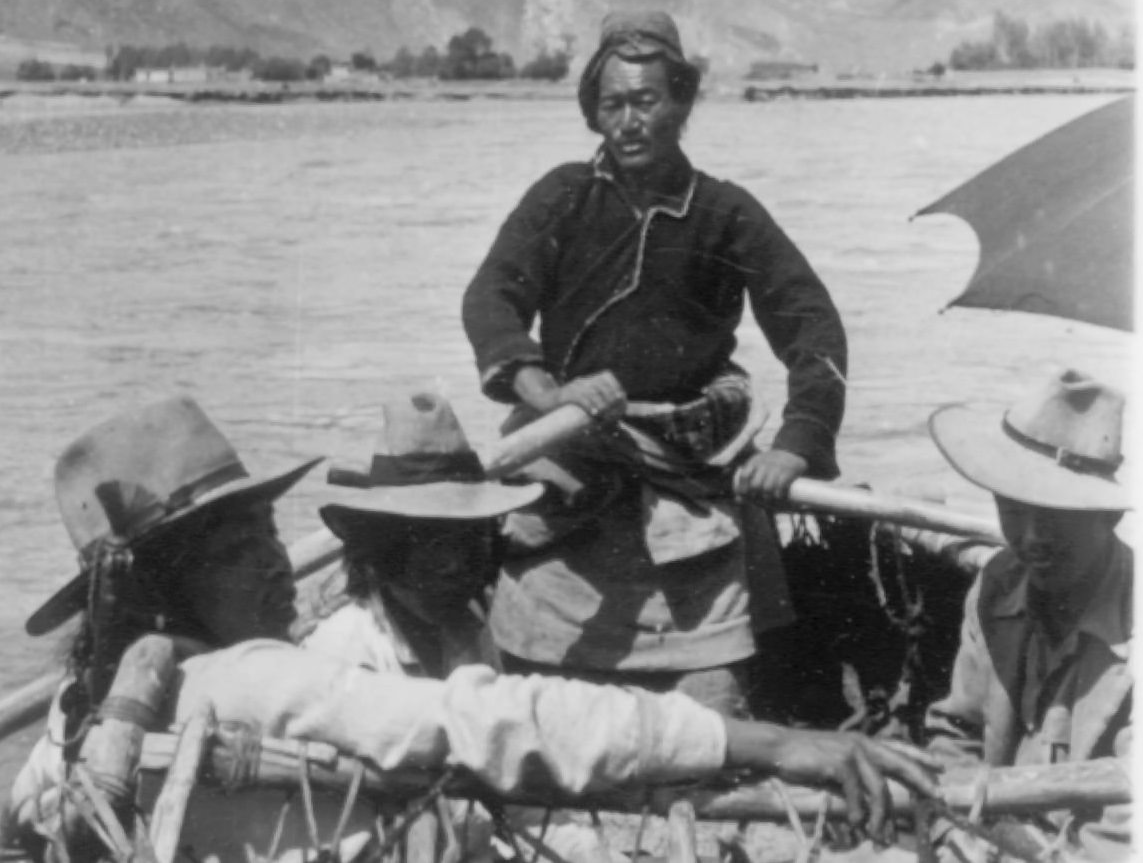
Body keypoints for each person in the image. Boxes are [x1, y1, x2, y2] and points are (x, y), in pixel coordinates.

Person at [4, 395, 938, 863]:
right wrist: (766, 739)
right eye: (239, 548)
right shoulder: (249, 678)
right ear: (165, 584)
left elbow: (30, 807)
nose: (275, 565)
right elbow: (489, 719)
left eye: (266, 538)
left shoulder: (68, 733)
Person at [462, 9, 848, 715]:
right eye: (612, 104)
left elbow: (812, 327)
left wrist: (797, 442)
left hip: (692, 481)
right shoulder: (562, 197)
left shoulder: (726, 213)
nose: (628, 121)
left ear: (681, 101)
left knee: (712, 713)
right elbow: (491, 298)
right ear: (592, 113)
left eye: (645, 100)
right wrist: (545, 391)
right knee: (533, 702)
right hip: (567, 469)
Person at [925, 368, 1132, 861]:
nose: (1033, 537)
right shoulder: (997, 585)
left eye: (1057, 514)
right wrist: (956, 830)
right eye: (1014, 510)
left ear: (1109, 514)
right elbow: (956, 731)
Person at [302, 389, 543, 677]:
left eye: (470, 540)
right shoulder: (346, 646)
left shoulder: (471, 622)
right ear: (383, 548)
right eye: (433, 544)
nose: (455, 564)